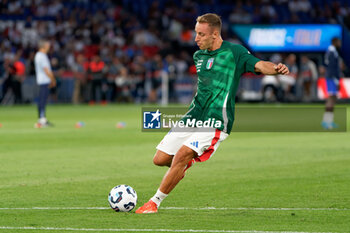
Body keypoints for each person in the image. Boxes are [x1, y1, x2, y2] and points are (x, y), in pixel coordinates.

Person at [135, 13, 289, 214]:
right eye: (196, 33)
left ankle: (153, 203)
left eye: (201, 34)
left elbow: (259, 65)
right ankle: (181, 166)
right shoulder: (199, 56)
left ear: (215, 34)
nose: (196, 38)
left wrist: (276, 69)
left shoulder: (234, 52)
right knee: (160, 159)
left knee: (181, 155)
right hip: (193, 115)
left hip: (217, 119)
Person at [34, 39, 56, 127]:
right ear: (44, 46)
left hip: (42, 80)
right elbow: (46, 70)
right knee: (42, 100)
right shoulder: (41, 56)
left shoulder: (39, 55)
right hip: (44, 80)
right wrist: (53, 80)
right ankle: (42, 119)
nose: (49, 47)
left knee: (42, 100)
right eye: (48, 46)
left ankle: (42, 118)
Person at [322, 37, 342, 129]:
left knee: (333, 98)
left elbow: (326, 64)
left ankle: (329, 120)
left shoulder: (331, 51)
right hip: (332, 78)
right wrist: (336, 79)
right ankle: (327, 121)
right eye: (339, 42)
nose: (340, 43)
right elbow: (332, 67)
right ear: (335, 42)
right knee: (331, 99)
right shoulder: (332, 52)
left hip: (330, 77)